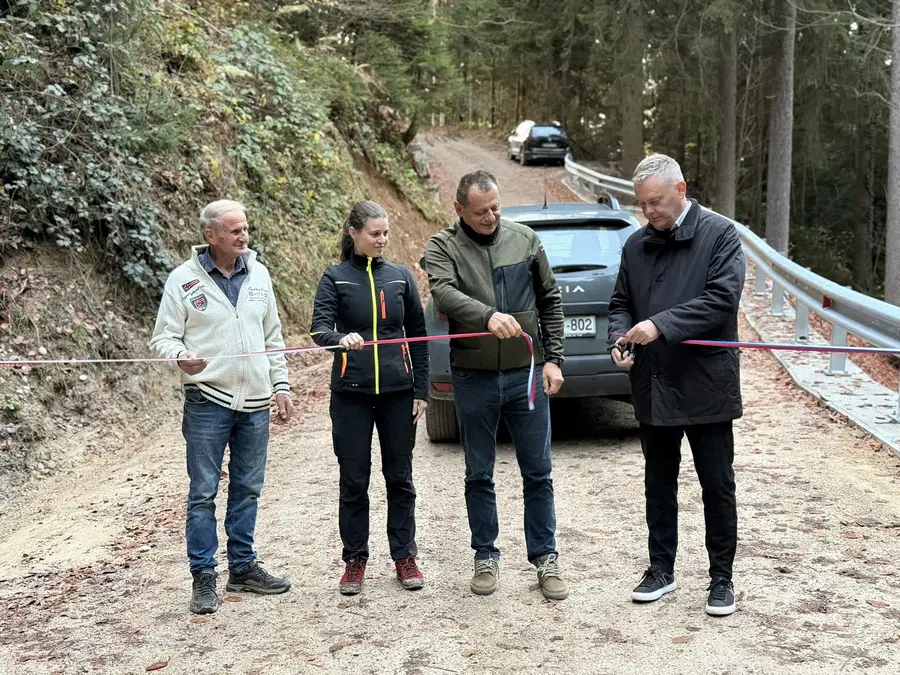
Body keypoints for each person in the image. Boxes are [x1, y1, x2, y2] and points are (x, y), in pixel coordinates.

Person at [607, 153, 745, 617]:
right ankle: (660, 569)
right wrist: (618, 338)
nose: (650, 212)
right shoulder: (635, 245)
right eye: (643, 204)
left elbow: (722, 300)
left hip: (706, 381)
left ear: (681, 190)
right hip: (653, 382)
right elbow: (621, 303)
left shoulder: (720, 235)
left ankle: (722, 578)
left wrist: (660, 324)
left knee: (716, 484)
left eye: (657, 202)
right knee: (658, 482)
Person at [420, 170, 568, 601]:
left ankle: (545, 559)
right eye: (482, 210)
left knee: (538, 472)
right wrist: (486, 315)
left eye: (496, 207)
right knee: (478, 473)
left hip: (526, 377)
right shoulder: (442, 246)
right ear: (459, 209)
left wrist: (554, 359)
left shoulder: (525, 240)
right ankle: (485, 555)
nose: (491, 216)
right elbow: (443, 293)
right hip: (473, 378)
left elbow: (550, 300)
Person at [149, 199, 294, 615]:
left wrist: (280, 385)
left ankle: (244, 568)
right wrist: (180, 357)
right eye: (234, 231)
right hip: (207, 401)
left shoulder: (260, 274)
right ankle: (204, 576)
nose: (243, 236)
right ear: (210, 235)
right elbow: (163, 338)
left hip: (257, 402)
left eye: (245, 228)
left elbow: (274, 336)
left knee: (248, 488)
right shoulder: (183, 280)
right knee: (203, 493)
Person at [310, 200, 429, 596]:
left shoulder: (400, 277)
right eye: (375, 233)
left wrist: (422, 390)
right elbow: (318, 329)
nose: (383, 239)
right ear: (354, 233)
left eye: (386, 232)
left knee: (400, 478)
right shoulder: (335, 277)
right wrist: (339, 340)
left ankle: (404, 556)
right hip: (351, 396)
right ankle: (355, 560)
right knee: (353, 480)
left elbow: (419, 335)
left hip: (399, 394)